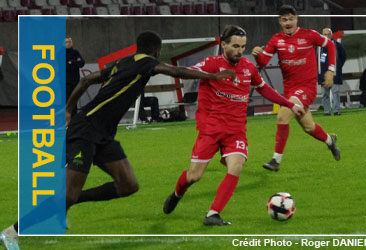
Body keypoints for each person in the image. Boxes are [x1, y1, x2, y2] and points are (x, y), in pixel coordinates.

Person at [0, 31, 236, 249]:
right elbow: (175, 72)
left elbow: (85, 80)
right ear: (156, 50)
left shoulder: (124, 61)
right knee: (68, 194)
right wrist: (213, 75)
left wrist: (70, 109)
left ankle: (66, 205)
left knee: (128, 185)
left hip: (102, 133)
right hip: (86, 130)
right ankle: (12, 231)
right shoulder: (147, 62)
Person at [162, 25, 305, 226]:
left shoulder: (248, 66)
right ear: (223, 45)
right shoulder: (212, 64)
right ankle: (177, 193)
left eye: (243, 46)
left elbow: (264, 89)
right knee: (194, 176)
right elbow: (185, 72)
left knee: (236, 167)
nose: (240, 50)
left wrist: (290, 104)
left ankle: (213, 214)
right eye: (236, 46)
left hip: (236, 131)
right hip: (210, 130)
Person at [252, 4, 341, 171]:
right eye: (284, 19)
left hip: (306, 88)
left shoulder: (309, 35)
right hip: (290, 90)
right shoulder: (276, 40)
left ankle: (275, 161)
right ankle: (330, 141)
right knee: (308, 127)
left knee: (282, 116)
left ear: (296, 19)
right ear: (280, 21)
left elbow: (330, 45)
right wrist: (258, 55)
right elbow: (263, 63)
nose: (288, 22)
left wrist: (331, 70)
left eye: (291, 19)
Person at [318, 28, 347, 115]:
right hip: (323, 74)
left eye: (328, 34)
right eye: (324, 34)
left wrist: (338, 67)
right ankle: (326, 111)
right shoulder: (318, 46)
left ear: (331, 35)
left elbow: (343, 57)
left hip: (334, 73)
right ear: (322, 35)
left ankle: (336, 111)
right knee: (325, 94)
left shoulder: (337, 45)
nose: (326, 36)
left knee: (335, 93)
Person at [66, 37, 85, 116]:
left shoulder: (75, 52)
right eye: (66, 42)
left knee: (74, 100)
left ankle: (74, 118)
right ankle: (66, 118)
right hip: (65, 82)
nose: (68, 43)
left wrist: (72, 62)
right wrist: (75, 62)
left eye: (70, 41)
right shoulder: (60, 53)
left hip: (75, 80)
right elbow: (66, 67)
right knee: (67, 100)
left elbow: (82, 63)